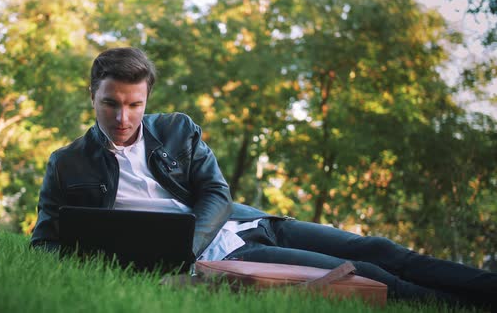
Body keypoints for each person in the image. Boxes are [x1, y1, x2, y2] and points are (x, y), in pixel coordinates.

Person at [31, 47, 496, 309]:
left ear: (147, 98)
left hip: (250, 223)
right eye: (111, 103)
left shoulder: (175, 129)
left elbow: (216, 191)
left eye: (135, 104)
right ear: (93, 95)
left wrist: (184, 242)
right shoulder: (67, 164)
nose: (123, 116)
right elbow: (45, 244)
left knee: (379, 248)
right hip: (230, 254)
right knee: (368, 275)